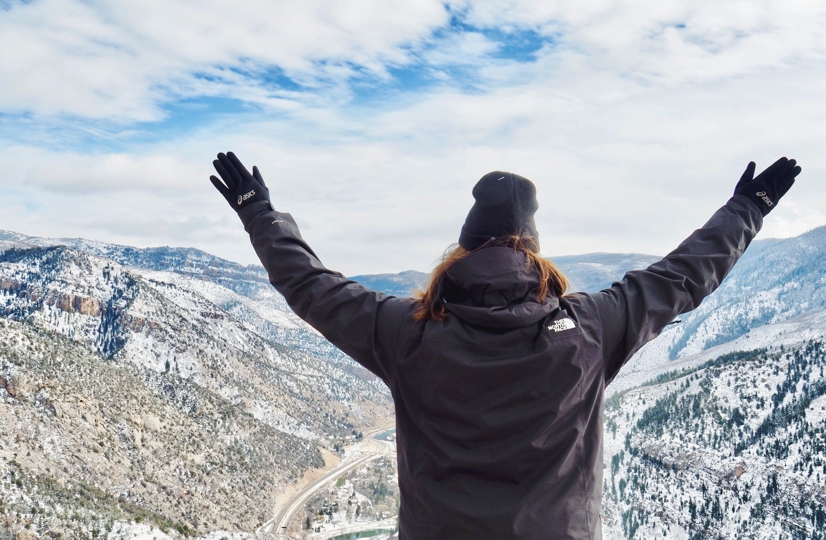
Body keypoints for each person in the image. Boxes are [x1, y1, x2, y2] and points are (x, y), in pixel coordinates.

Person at [209, 154, 801, 540]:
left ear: (460, 252)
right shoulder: (591, 328)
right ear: (536, 255)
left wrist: (259, 214)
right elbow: (680, 278)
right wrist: (747, 209)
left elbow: (313, 288)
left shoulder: (406, 331)